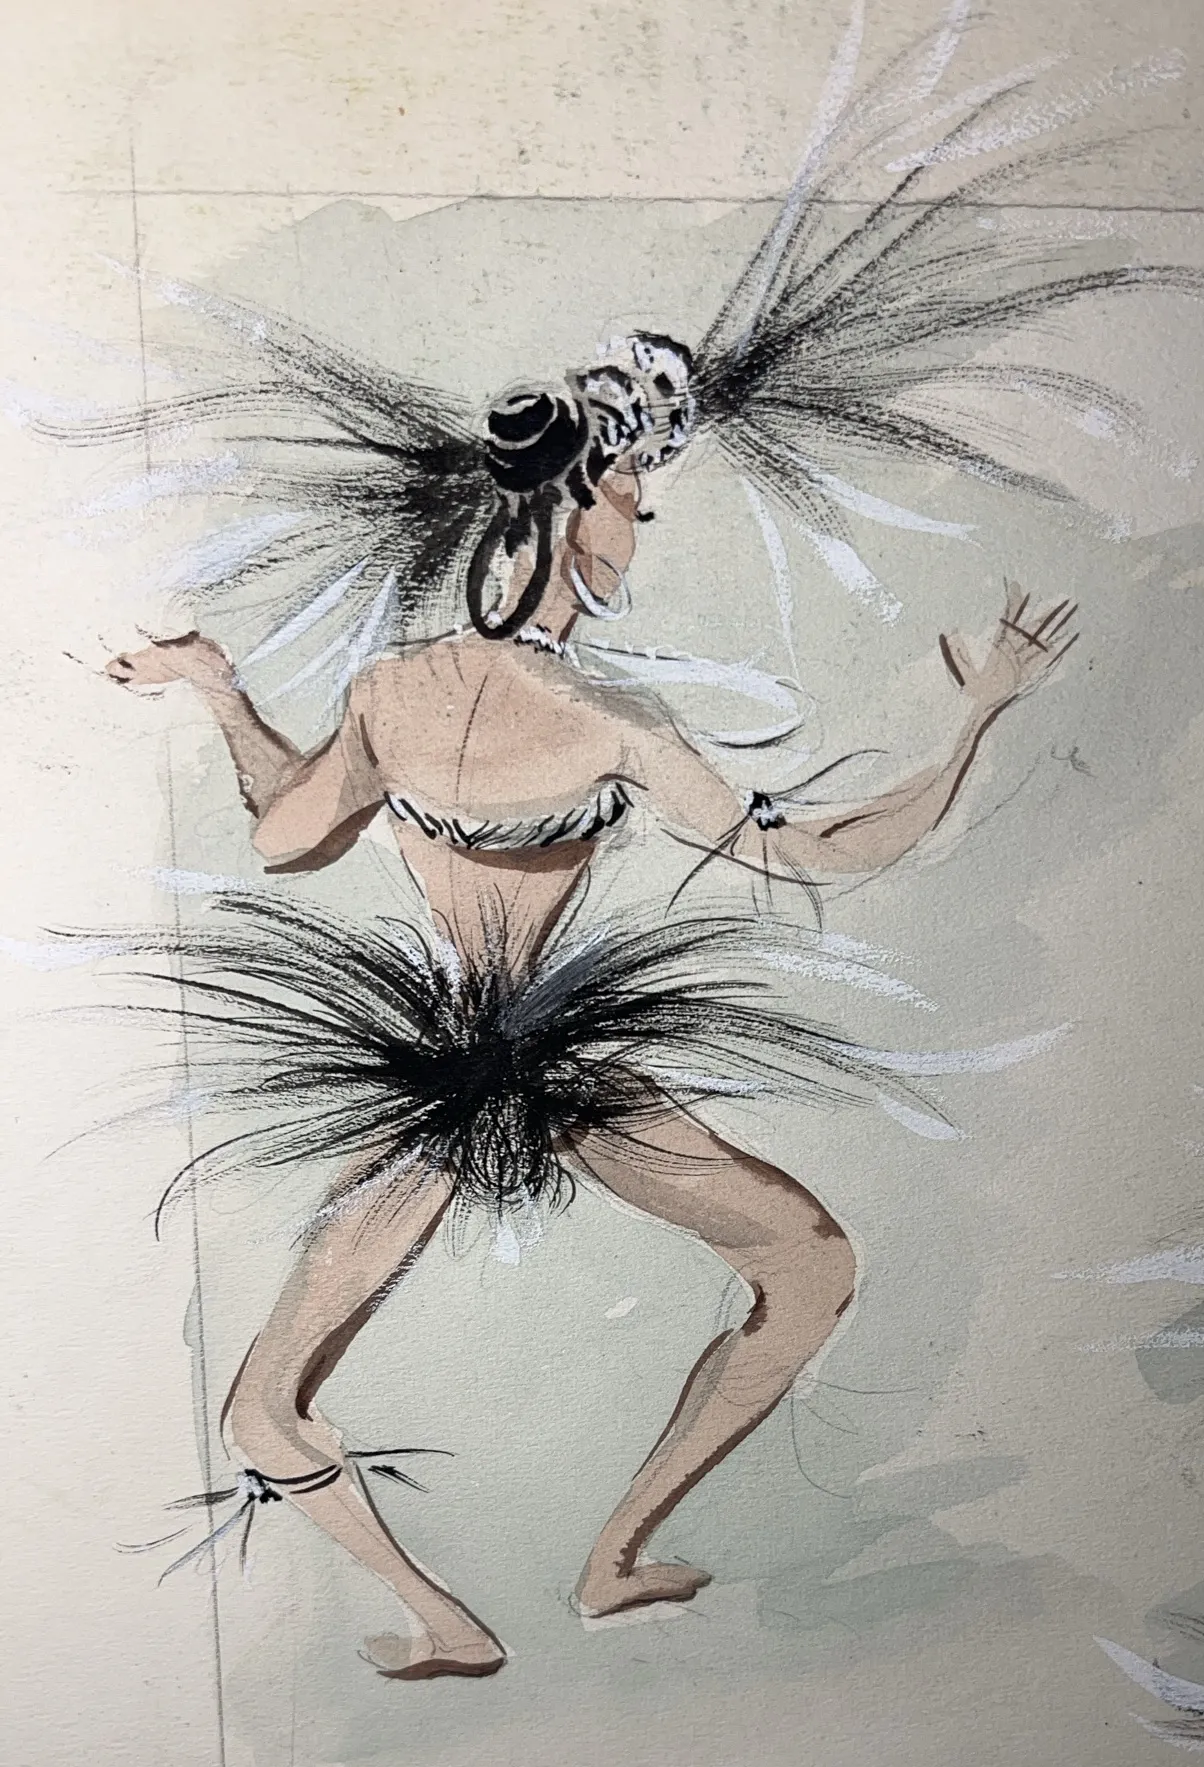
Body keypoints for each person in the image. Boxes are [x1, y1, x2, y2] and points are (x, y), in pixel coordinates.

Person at [106, 344, 1075, 1680]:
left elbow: (286, 833)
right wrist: (975, 724)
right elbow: (816, 852)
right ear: (572, 505)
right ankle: (599, 1563)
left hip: (452, 1066)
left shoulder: (392, 688)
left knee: (266, 1410)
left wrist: (222, 693)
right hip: (539, 1072)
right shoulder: (610, 718)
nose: (638, 532)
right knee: (811, 1269)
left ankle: (491, 1605)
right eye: (634, 500)